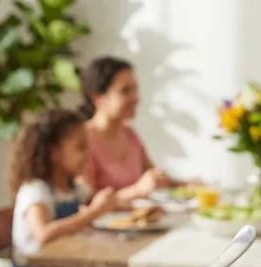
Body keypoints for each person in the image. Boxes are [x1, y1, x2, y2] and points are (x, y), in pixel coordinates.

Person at [9, 109, 123, 267]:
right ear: (54, 153)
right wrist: (92, 213)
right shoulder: (35, 191)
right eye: (80, 147)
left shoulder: (71, 188)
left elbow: (104, 202)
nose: (88, 155)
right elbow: (43, 234)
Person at [79, 56, 192, 202]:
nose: (136, 98)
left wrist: (189, 185)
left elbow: (155, 178)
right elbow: (86, 201)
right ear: (98, 98)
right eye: (125, 91)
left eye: (135, 89)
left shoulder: (129, 133)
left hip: (137, 222)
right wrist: (137, 191)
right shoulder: (82, 140)